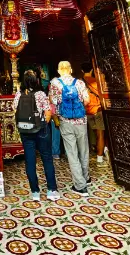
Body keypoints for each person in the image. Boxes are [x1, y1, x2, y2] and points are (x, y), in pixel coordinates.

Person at [13, 70, 59, 201]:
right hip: (41, 129)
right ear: (36, 81)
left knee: (30, 160)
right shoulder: (40, 94)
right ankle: (51, 190)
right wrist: (42, 124)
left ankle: (35, 192)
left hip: (25, 131)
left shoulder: (18, 95)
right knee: (47, 158)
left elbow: (15, 110)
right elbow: (48, 112)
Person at [49, 61, 91, 196]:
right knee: (83, 150)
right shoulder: (79, 83)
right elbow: (87, 101)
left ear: (59, 70)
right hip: (81, 121)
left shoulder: (55, 84)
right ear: (71, 69)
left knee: (72, 152)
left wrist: (56, 118)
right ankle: (86, 178)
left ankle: (80, 185)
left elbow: (53, 103)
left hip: (66, 121)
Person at [82, 62, 107, 165]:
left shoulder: (79, 82)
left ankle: (102, 150)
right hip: (97, 110)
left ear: (82, 71)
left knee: (94, 134)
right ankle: (100, 159)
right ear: (92, 70)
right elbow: (103, 94)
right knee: (100, 135)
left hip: (87, 111)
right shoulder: (95, 82)